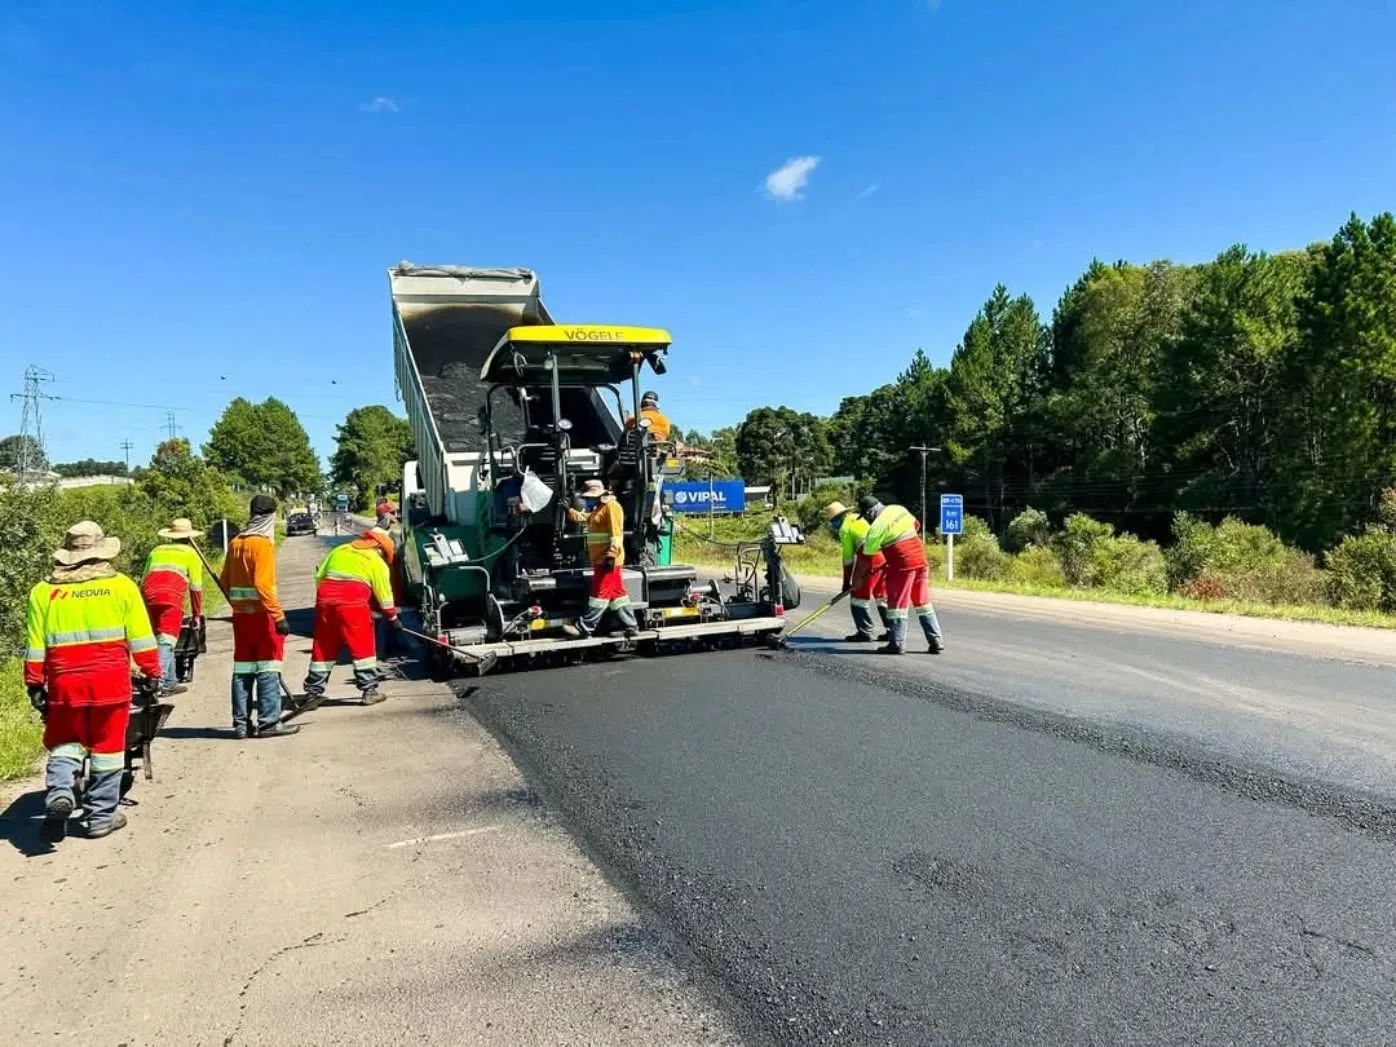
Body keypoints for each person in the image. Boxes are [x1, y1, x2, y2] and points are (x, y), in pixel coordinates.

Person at [24, 521, 163, 842]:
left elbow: (35, 646)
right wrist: (153, 674)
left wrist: (34, 684)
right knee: (108, 748)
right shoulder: (122, 587)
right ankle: (101, 817)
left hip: (64, 685)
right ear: (101, 552)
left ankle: (60, 792)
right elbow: (142, 639)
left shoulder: (43, 592)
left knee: (65, 742)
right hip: (111, 683)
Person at [220, 495, 298, 739]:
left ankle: (241, 725)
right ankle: (268, 722)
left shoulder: (235, 543)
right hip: (263, 617)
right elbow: (263, 584)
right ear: (269, 517)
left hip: (241, 618)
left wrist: (238, 603)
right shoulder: (262, 545)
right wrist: (279, 616)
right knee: (268, 667)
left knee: (242, 670)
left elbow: (224, 582)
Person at [302, 530, 402, 707]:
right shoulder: (375, 561)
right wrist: (393, 618)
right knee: (362, 644)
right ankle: (369, 690)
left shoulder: (340, 550)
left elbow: (319, 576)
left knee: (324, 644)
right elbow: (385, 596)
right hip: (352, 602)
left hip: (325, 599)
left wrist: (326, 600)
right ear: (379, 549)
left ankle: (313, 693)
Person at [852, 495, 944, 656]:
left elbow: (866, 560)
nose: (866, 521)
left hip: (902, 565)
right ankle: (936, 641)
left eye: (865, 517)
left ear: (870, 513)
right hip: (920, 560)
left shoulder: (875, 529)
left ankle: (896, 643)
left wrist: (857, 581)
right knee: (922, 602)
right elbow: (916, 526)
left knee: (897, 604)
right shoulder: (898, 509)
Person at [564, 479, 638, 638]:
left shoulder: (612, 507)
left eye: (590, 497)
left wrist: (611, 555)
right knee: (618, 595)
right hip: (600, 559)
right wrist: (568, 511)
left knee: (599, 593)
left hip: (608, 559)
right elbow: (585, 518)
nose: (588, 500)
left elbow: (616, 533)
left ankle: (585, 627)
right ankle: (631, 626)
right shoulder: (599, 509)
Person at [140, 517, 205, 697]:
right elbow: (196, 588)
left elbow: (144, 578)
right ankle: (158, 683)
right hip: (170, 598)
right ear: (189, 537)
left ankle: (170, 681)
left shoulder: (156, 550)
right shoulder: (191, 554)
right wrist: (196, 615)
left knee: (159, 639)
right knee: (166, 642)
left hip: (148, 596)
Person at [824, 501, 890, 643]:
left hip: (869, 557)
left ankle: (864, 631)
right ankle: (892, 630)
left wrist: (846, 582)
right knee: (881, 596)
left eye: (833, 521)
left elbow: (848, 559)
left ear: (836, 519)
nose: (833, 524)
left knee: (858, 596)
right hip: (884, 556)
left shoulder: (845, 528)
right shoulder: (858, 518)